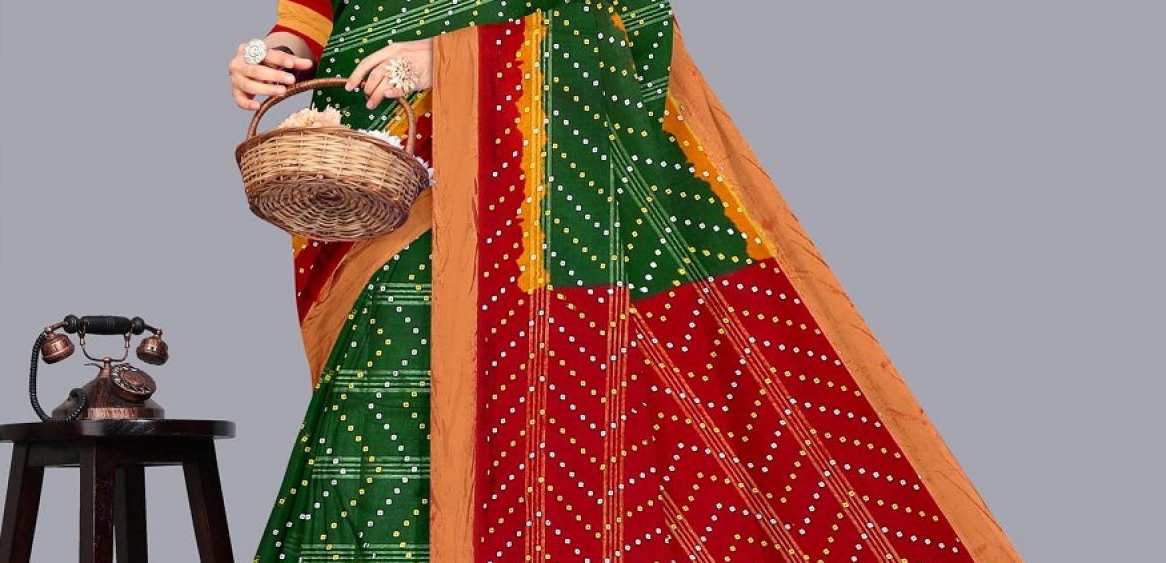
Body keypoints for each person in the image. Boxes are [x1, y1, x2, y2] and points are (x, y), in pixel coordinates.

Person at [229, 1, 1019, 561]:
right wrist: (287, 44)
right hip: (385, 138)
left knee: (517, 399)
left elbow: (627, 22)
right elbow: (312, 8)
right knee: (382, 417)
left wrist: (455, 57)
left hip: (527, 147)